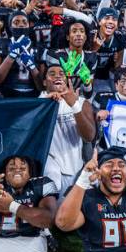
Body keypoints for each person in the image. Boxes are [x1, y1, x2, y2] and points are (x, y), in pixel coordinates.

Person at [40, 63, 96, 196]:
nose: (57, 76)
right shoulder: (36, 103)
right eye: (52, 74)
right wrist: (44, 105)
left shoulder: (82, 102)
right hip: (48, 168)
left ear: (67, 79)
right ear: (44, 82)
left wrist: (74, 105)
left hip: (75, 169)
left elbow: (89, 136)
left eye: (61, 73)